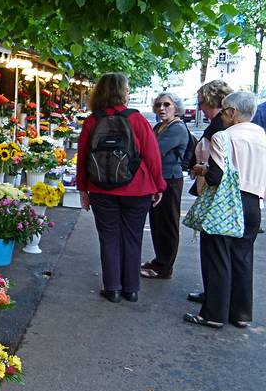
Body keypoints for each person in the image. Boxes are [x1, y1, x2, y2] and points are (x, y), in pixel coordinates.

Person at [77, 73, 166, 303]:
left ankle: (113, 288)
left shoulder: (91, 121)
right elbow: (152, 156)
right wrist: (158, 185)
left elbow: (83, 158)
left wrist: (83, 189)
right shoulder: (136, 119)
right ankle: (132, 288)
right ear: (122, 92)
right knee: (133, 237)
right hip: (138, 188)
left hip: (100, 189)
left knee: (108, 237)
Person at [184, 91, 266, 328]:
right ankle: (240, 313)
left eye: (224, 112)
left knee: (217, 255)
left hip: (226, 203)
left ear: (232, 112)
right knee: (242, 257)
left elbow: (216, 177)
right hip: (253, 204)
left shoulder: (224, 136)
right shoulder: (261, 136)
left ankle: (213, 314)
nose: (222, 116)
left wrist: (201, 170)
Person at [186, 80, 233, 303]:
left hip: (216, 195)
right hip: (225, 195)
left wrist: (200, 169)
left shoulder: (219, 127)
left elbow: (216, 169)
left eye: (201, 103)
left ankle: (215, 301)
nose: (200, 109)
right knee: (226, 253)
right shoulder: (225, 126)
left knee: (214, 250)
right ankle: (223, 299)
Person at [140, 93, 189, 279]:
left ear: (175, 107)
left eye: (166, 104)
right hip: (158, 180)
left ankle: (164, 267)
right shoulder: (160, 126)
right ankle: (160, 260)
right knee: (157, 223)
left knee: (167, 224)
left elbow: (154, 151)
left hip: (170, 181)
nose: (162, 108)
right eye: (159, 105)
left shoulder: (176, 128)